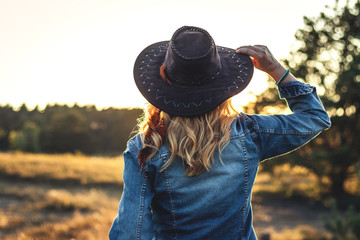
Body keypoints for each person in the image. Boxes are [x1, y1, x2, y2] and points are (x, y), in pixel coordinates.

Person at [109, 26, 331, 240]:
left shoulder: (146, 148)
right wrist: (276, 69)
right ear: (223, 84)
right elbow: (314, 117)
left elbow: (131, 233)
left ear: (161, 85)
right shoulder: (250, 134)